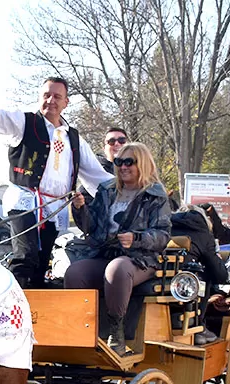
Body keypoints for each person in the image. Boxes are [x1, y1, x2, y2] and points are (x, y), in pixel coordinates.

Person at [0, 65, 112, 288]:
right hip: (24, 202)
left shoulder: (74, 138)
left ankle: (35, 315)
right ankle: (10, 314)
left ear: (66, 103)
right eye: (46, 95)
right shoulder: (24, 123)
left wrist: (135, 189)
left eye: (57, 96)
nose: (51, 100)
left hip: (54, 208)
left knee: (40, 264)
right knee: (25, 257)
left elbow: (98, 176)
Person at [64, 142, 172, 355]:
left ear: (142, 164)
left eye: (129, 162)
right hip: (104, 253)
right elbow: (91, 227)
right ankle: (80, 330)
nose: (123, 167)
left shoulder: (155, 195)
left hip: (140, 259)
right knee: (75, 273)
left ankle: (117, 334)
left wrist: (137, 238)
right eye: (119, 162)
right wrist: (80, 208)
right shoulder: (107, 190)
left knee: (116, 270)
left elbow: (163, 235)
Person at [170, 205, 230, 345]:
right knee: (206, 274)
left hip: (160, 283)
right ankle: (199, 325)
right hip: (184, 290)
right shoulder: (203, 233)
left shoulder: (167, 227)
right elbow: (220, 275)